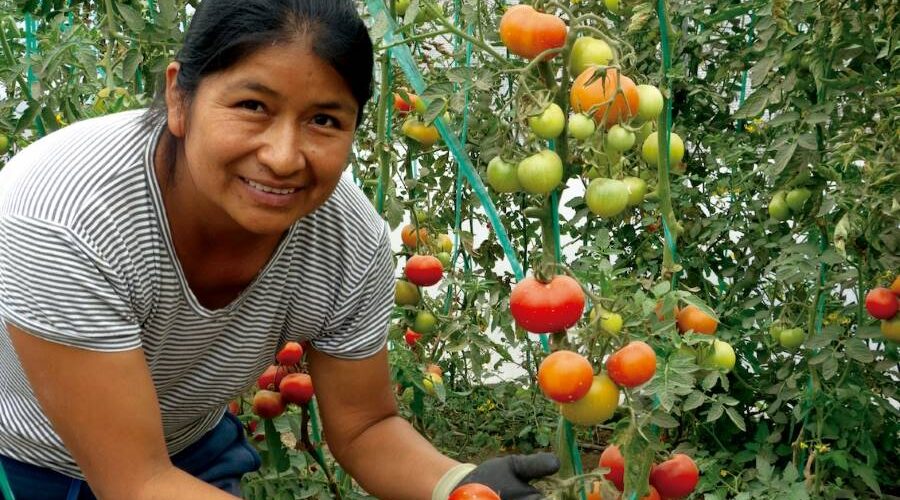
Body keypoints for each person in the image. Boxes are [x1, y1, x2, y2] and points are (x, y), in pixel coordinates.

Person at [0, 0, 560, 498]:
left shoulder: (344, 237)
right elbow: (136, 482)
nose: (285, 156)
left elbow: (365, 427)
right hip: (23, 461)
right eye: (252, 106)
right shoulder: (64, 217)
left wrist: (454, 484)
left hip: (185, 450)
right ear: (179, 97)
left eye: (323, 119)